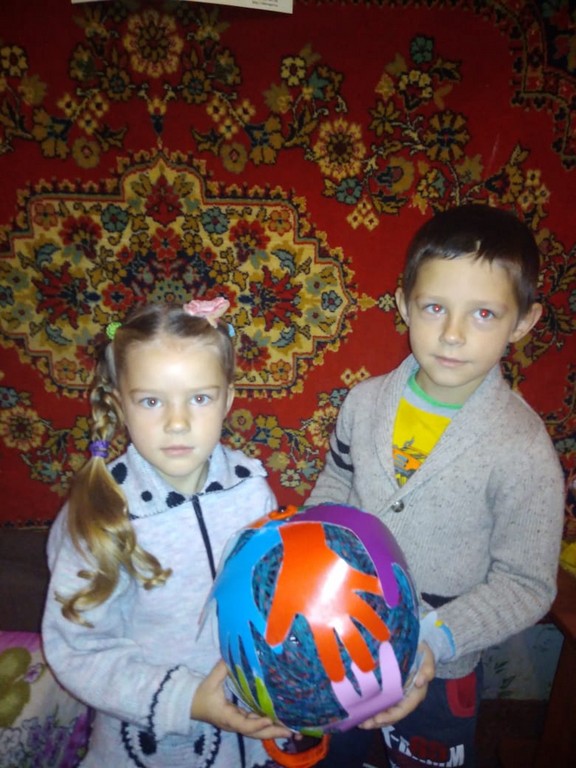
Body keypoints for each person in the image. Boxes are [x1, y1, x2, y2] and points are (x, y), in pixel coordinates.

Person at [308, 205, 565, 768]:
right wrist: (310, 551)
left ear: (523, 323)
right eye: (434, 308)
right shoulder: (363, 403)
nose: (452, 334)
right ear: (403, 304)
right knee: (334, 754)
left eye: (483, 314)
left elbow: (526, 584)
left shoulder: (523, 449)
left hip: (441, 670)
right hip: (343, 642)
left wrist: (434, 637)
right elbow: (337, 481)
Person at [41, 297, 292, 768]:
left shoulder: (253, 491)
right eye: (152, 401)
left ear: (228, 400)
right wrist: (188, 699)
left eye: (200, 398)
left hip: (256, 741)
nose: (177, 423)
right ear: (120, 404)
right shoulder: (98, 514)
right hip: (153, 746)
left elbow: (275, 601)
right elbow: (79, 650)